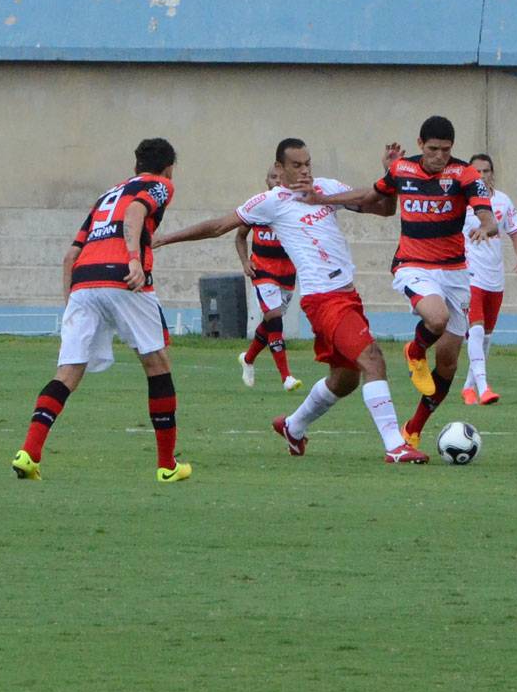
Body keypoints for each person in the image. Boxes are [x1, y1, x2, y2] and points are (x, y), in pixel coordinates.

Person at [154, 138, 430, 464]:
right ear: (279, 169)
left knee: (345, 380)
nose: (304, 171)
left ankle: (293, 426)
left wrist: (389, 173)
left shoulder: (325, 188)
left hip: (346, 295)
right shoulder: (271, 202)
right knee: (373, 360)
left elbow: (384, 209)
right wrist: (165, 238)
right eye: (296, 165)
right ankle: (395, 446)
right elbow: (218, 227)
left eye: (308, 163)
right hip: (323, 299)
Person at [303, 116, 497, 450]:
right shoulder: (402, 170)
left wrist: (486, 227)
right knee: (436, 318)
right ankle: (415, 349)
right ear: (421, 144)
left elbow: (488, 215)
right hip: (413, 264)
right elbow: (371, 194)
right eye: (433, 149)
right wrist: (323, 200)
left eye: (446, 150)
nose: (439, 156)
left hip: (455, 272)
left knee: (449, 360)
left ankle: (414, 428)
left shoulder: (464, 174)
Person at [11, 138, 189, 483]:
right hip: (122, 277)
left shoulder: (107, 196)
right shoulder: (161, 184)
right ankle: (167, 466)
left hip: (83, 282)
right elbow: (137, 211)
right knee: (157, 365)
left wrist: (72, 307)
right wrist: (135, 259)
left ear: (135, 165)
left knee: (67, 373)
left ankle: (29, 453)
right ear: (168, 167)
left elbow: (69, 256)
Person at [460, 153, 517, 405]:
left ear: (492, 173)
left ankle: (468, 387)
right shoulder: (462, 201)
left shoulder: (503, 201)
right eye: (476, 172)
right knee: (475, 330)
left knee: (485, 336)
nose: (481, 176)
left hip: (494, 275)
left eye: (485, 171)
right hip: (470, 273)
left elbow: (516, 233)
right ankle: (484, 387)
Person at [234, 165, 302, 392]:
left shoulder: (293, 208)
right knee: (274, 317)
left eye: (279, 177)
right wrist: (245, 261)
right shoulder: (258, 208)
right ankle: (286, 377)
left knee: (271, 323)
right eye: (272, 177)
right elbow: (240, 237)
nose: (276, 180)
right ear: (267, 181)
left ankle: (249, 358)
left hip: (287, 274)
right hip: (262, 272)